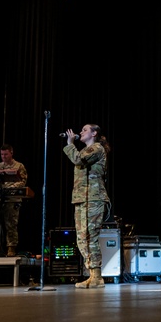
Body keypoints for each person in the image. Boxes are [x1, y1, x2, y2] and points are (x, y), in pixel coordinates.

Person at [63, 124, 110, 289]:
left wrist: (70, 143)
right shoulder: (83, 151)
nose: (81, 132)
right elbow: (78, 158)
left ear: (94, 133)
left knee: (91, 236)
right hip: (82, 199)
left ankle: (97, 276)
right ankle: (92, 275)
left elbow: (77, 160)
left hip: (94, 198)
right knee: (82, 238)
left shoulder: (96, 149)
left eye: (84, 130)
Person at [0, 144, 28, 257]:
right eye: (2, 154)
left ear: (11, 153)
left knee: (11, 224)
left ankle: (11, 248)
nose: (3, 156)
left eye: (6, 154)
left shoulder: (19, 166)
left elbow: (22, 181)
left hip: (11, 199)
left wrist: (9, 187)